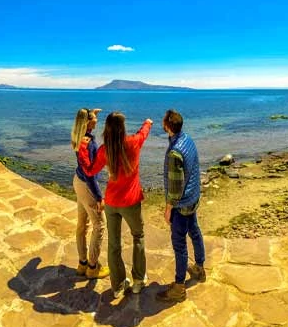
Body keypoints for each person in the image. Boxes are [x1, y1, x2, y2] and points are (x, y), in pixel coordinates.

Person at [78, 112, 154, 296]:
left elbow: (89, 170)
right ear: (123, 128)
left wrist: (82, 147)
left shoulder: (105, 150)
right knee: (138, 236)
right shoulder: (133, 143)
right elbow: (143, 133)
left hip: (112, 203)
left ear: (107, 129)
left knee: (114, 245)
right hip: (131, 201)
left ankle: (118, 286)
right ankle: (138, 280)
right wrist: (147, 122)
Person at [158, 109, 205, 302]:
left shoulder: (175, 153)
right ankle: (200, 268)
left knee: (179, 245)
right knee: (194, 231)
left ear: (167, 126)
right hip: (193, 197)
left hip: (182, 204)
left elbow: (175, 189)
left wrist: (168, 209)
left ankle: (179, 287)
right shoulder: (187, 140)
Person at [69, 109, 107, 279]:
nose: (97, 120)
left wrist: (90, 113)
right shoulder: (88, 142)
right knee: (100, 226)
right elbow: (89, 172)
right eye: (94, 118)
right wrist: (99, 196)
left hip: (78, 181)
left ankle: (82, 263)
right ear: (87, 122)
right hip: (87, 185)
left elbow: (84, 170)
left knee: (82, 225)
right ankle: (92, 267)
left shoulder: (78, 136)